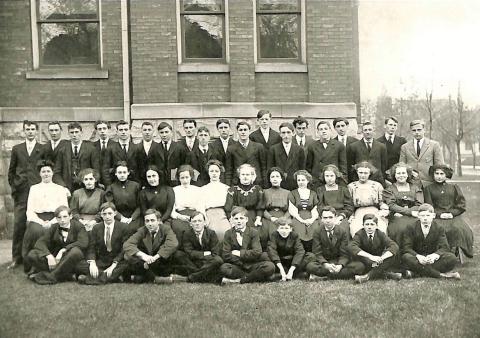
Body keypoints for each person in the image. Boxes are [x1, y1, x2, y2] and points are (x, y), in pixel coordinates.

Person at [7, 120, 46, 269]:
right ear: (24, 131)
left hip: (37, 190)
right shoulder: (17, 149)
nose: (30, 132)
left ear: (36, 131)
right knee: (19, 224)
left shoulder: (42, 148)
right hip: (22, 191)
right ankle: (16, 258)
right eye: (27, 129)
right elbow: (11, 171)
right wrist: (15, 185)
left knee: (37, 223)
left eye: (32, 129)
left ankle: (34, 255)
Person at [22, 160, 70, 271]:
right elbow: (30, 210)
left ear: (53, 173)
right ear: (40, 173)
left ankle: (52, 263)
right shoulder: (34, 189)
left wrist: (53, 221)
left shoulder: (60, 189)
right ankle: (34, 264)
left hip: (56, 219)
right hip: (37, 219)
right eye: (43, 171)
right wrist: (41, 222)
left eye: (48, 171)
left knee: (53, 232)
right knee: (35, 230)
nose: (46, 174)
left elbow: (64, 209)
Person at [26, 205, 88, 284]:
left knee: (75, 252)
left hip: (72, 259)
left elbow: (83, 242)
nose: (62, 220)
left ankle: (52, 276)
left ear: (70, 216)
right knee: (32, 254)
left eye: (65, 217)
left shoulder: (78, 226)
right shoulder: (54, 227)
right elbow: (40, 242)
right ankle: (66, 275)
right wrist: (49, 255)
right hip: (57, 260)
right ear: (56, 219)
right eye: (59, 217)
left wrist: (63, 250)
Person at [423, 165, 474, 261]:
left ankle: (456, 250)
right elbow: (429, 206)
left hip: (452, 216)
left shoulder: (453, 187)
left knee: (459, 229)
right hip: (437, 216)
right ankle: (441, 252)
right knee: (438, 229)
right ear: (433, 175)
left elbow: (461, 205)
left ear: (446, 175)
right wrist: (439, 214)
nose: (439, 176)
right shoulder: (428, 189)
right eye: (436, 173)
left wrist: (452, 214)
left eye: (442, 174)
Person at [76, 203, 130, 285]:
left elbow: (124, 249)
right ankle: (111, 277)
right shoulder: (96, 228)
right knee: (79, 265)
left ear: (115, 213)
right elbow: (92, 247)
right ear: (101, 215)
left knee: (127, 263)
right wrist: (92, 263)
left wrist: (113, 266)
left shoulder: (124, 227)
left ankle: (89, 279)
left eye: (110, 213)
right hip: (101, 261)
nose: (107, 216)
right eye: (104, 214)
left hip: (117, 261)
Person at [401, 203, 460, 279]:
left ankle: (415, 273)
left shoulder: (439, 228)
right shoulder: (411, 227)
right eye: (422, 216)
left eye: (428, 215)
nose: (425, 218)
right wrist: (418, 256)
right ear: (418, 216)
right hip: (417, 258)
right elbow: (406, 247)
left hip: (432, 259)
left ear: (433, 216)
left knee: (452, 258)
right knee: (406, 257)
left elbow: (444, 247)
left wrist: (435, 255)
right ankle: (441, 276)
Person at [220, 207, 275, 284]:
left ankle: (238, 280)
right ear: (232, 220)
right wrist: (241, 262)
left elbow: (257, 252)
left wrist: (239, 253)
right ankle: (254, 277)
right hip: (238, 266)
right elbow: (226, 254)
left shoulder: (253, 232)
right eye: (236, 219)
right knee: (224, 268)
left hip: (252, 264)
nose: (239, 221)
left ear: (246, 219)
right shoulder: (228, 233)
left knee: (270, 266)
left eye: (241, 218)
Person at [123, 209, 179, 284]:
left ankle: (141, 278)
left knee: (178, 254)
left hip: (160, 261)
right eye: (147, 221)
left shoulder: (166, 229)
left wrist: (156, 257)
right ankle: (155, 279)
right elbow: (127, 244)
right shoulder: (142, 230)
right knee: (127, 255)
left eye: (152, 220)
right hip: (146, 263)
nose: (149, 224)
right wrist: (144, 256)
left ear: (158, 221)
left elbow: (173, 243)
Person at [307, 207, 364, 280]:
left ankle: (323, 277)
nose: (328, 220)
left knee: (359, 266)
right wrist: (326, 264)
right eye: (325, 218)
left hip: (338, 261)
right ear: (321, 219)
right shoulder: (317, 231)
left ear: (335, 218)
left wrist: (340, 265)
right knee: (310, 266)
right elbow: (317, 252)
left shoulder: (342, 231)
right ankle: (340, 275)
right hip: (325, 262)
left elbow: (345, 253)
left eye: (331, 217)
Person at [349, 214, 402, 283]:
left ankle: (367, 276)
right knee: (364, 262)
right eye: (367, 224)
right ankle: (387, 274)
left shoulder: (380, 234)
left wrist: (382, 258)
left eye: (372, 224)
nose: (369, 227)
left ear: (376, 225)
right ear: (363, 225)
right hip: (366, 261)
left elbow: (393, 245)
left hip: (378, 262)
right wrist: (371, 257)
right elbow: (352, 246)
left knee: (392, 255)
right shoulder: (359, 234)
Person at [383, 162, 423, 246]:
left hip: (414, 216)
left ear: (408, 174)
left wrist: (409, 212)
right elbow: (391, 205)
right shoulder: (389, 189)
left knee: (419, 228)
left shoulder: (415, 188)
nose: (401, 175)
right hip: (396, 216)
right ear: (394, 175)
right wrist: (409, 212)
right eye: (398, 173)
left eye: (403, 173)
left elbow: (419, 204)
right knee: (400, 228)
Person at [54, 122, 100, 192]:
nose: (74, 135)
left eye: (76, 132)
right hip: (67, 187)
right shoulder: (62, 150)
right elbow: (57, 171)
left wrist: (92, 184)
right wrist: (63, 187)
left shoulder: (91, 149)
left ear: (81, 132)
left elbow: (96, 170)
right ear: (68, 134)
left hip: (86, 186)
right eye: (72, 132)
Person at [348, 162, 389, 237]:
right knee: (356, 228)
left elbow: (382, 202)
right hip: (359, 212)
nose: (363, 175)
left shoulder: (377, 185)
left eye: (365, 173)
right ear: (357, 172)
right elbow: (349, 204)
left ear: (369, 173)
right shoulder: (351, 186)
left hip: (374, 211)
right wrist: (351, 215)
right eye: (360, 172)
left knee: (380, 228)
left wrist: (383, 211)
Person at [182, 211, 223, 283]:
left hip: (208, 262)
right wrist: (204, 254)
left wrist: (201, 256)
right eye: (194, 221)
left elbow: (215, 252)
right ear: (190, 224)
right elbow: (189, 252)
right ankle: (204, 276)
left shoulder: (211, 233)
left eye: (200, 221)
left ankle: (193, 277)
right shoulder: (187, 234)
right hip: (195, 262)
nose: (197, 223)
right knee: (180, 255)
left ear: (204, 223)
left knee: (218, 260)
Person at [399, 119, 444, 185]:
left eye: (419, 130)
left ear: (424, 130)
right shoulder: (405, 147)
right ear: (411, 131)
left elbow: (440, 166)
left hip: (429, 184)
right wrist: (410, 172)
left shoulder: (434, 145)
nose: (417, 132)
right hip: (411, 184)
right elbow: (402, 166)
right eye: (414, 130)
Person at [170, 165, 205, 249]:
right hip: (179, 215)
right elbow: (172, 209)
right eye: (182, 178)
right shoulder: (174, 190)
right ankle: (181, 251)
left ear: (191, 177)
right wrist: (180, 216)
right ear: (179, 178)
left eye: (187, 177)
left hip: (194, 214)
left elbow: (201, 206)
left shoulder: (198, 190)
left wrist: (201, 216)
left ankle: (195, 251)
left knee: (196, 227)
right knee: (178, 228)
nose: (185, 180)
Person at [225, 121, 267, 187]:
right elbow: (229, 170)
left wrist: (265, 185)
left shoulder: (258, 147)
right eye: (240, 130)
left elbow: (263, 168)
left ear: (249, 131)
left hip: (255, 183)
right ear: (237, 132)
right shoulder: (231, 149)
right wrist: (228, 186)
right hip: (237, 183)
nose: (243, 132)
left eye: (245, 130)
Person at [306, 121, 347, 187]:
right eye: (321, 129)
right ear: (317, 132)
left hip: (333, 181)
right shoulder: (312, 146)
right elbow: (308, 167)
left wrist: (341, 181)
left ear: (330, 130)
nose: (323, 131)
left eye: (326, 129)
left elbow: (343, 167)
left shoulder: (339, 145)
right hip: (317, 182)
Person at [105, 161, 142, 234]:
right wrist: (121, 218)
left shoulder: (136, 186)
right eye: (119, 172)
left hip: (134, 217)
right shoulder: (111, 187)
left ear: (128, 173)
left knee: (135, 230)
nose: (122, 175)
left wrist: (132, 218)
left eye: (124, 172)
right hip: (117, 217)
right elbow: (110, 206)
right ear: (115, 173)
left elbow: (140, 205)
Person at [346, 121, 387, 186]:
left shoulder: (381, 146)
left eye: (370, 130)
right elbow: (350, 166)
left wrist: (382, 179)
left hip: (377, 181)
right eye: (365, 130)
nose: (368, 132)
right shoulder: (353, 146)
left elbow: (384, 166)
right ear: (362, 132)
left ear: (373, 131)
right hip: (359, 181)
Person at [224, 164, 265, 229]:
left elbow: (260, 207)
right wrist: (232, 221)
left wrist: (258, 219)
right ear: (239, 176)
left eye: (247, 175)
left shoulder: (258, 189)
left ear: (252, 176)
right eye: (243, 174)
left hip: (253, 217)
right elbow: (228, 209)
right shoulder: (233, 190)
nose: (245, 177)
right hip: (238, 218)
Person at [267, 122, 306, 190]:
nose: (286, 135)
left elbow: (302, 169)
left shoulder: (299, 149)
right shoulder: (273, 149)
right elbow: (270, 168)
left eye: (288, 132)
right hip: (279, 184)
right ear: (280, 134)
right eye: (283, 133)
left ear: (293, 133)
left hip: (294, 184)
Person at [288, 170, 319, 253]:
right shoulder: (293, 193)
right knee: (297, 232)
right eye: (299, 180)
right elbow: (292, 209)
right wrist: (301, 220)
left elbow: (315, 208)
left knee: (315, 230)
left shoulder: (313, 193)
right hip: (298, 217)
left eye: (303, 180)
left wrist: (311, 220)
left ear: (307, 180)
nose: (301, 182)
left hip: (310, 216)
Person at [316, 164, 353, 234]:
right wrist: (327, 217)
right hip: (326, 215)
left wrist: (341, 217)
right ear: (323, 177)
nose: (329, 178)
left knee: (343, 229)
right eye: (327, 176)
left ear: (336, 176)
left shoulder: (343, 190)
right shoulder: (320, 190)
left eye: (331, 176)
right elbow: (319, 206)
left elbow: (349, 206)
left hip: (340, 215)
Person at [261, 167, 290, 249]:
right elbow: (262, 209)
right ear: (269, 179)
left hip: (283, 216)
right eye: (272, 177)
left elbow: (290, 209)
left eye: (277, 176)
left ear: (281, 179)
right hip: (269, 217)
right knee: (265, 232)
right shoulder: (264, 192)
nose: (275, 179)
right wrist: (271, 218)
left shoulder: (288, 193)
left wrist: (285, 218)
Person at [201, 160, 231, 241]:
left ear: (220, 172)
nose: (214, 173)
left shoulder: (226, 188)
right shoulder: (203, 189)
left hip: (222, 214)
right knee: (212, 232)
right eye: (211, 171)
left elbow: (229, 206)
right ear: (208, 173)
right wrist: (205, 218)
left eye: (216, 171)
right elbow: (201, 206)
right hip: (209, 214)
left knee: (227, 231)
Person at [157, 122, 187, 187]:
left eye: (166, 132)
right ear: (158, 133)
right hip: (160, 183)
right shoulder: (155, 148)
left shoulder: (179, 147)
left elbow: (184, 165)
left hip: (176, 182)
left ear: (171, 132)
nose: (164, 135)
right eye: (161, 132)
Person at [92, 120, 116, 186]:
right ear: (96, 131)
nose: (102, 131)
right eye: (99, 129)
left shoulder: (115, 145)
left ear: (109, 129)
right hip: (97, 182)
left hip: (112, 181)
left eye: (104, 128)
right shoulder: (92, 146)